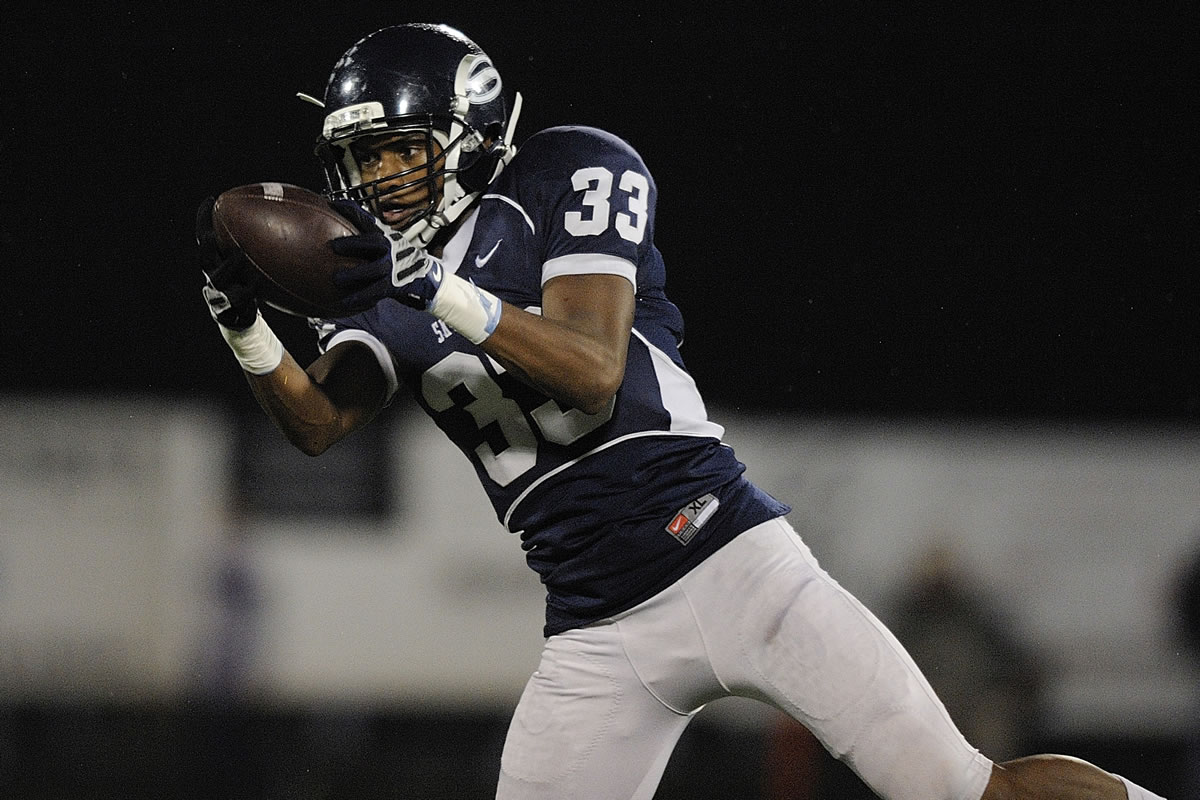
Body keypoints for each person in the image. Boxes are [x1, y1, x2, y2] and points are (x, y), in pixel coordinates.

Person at [195, 22, 1170, 800]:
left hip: (728, 558)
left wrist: (440, 290)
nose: (378, 183)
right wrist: (243, 322)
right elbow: (319, 421)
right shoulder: (383, 282)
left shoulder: (567, 172)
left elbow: (592, 370)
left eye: (399, 153)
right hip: (593, 622)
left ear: (471, 128)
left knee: (962, 787)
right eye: (360, 161)